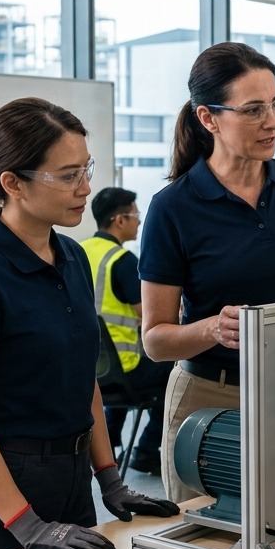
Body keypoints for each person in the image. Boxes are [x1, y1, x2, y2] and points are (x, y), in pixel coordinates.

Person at [0, 97, 177, 549]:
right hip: (2, 495)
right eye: (68, 176)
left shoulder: (72, 257)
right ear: (12, 183)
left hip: (72, 476)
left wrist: (109, 478)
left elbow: (83, 379)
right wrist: (26, 524)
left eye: (85, 170)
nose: (85, 188)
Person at [139, 42, 275, 504]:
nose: (272, 121)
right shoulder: (173, 208)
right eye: (253, 110)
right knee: (206, 535)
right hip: (210, 399)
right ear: (208, 118)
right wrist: (212, 328)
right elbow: (155, 340)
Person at [81, 186, 171, 474]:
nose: (140, 221)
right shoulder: (122, 260)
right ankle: (145, 450)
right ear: (119, 220)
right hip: (125, 368)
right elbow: (151, 315)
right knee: (177, 373)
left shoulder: (78, 251)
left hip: (88, 370)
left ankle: (109, 445)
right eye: (135, 215)